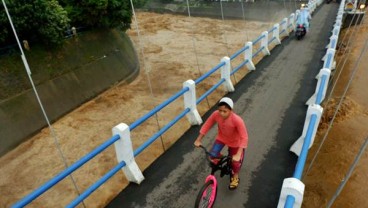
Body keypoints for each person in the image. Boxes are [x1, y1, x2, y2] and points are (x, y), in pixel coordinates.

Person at [194, 97, 248, 190]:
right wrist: (198, 139)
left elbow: (244, 137)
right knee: (212, 155)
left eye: (225, 111)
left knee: (235, 162)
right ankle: (222, 157)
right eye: (220, 110)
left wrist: (238, 154)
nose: (222, 113)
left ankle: (235, 176)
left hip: (235, 142)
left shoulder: (237, 120)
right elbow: (207, 125)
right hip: (222, 138)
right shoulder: (216, 114)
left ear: (231, 110)